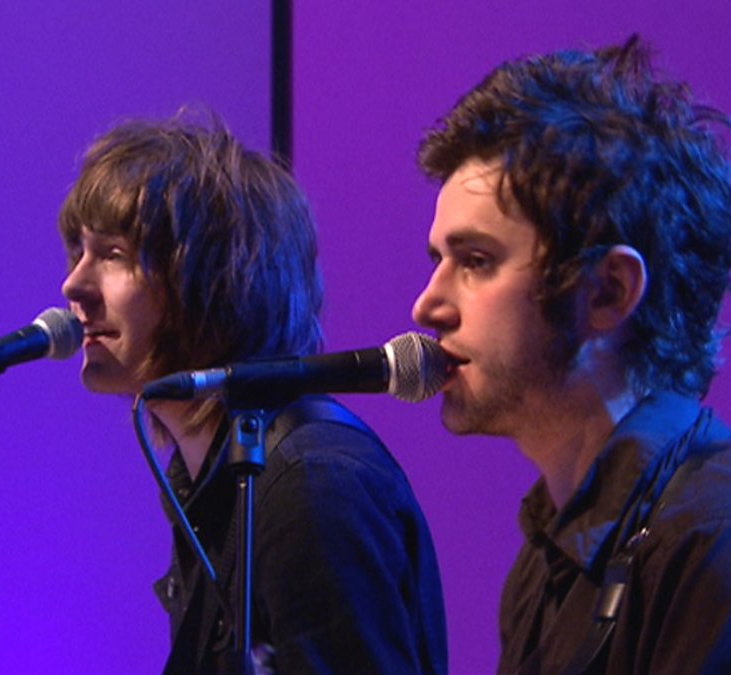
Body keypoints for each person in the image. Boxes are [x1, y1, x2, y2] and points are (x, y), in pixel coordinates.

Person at [410, 37, 731, 673]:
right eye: (439, 260)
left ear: (608, 292)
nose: (427, 306)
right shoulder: (549, 560)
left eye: (476, 261)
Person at [58, 114, 447, 674]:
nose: (73, 284)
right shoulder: (208, 478)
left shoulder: (309, 481)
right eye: (79, 252)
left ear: (211, 278)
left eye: (114, 254)